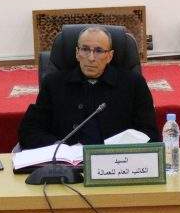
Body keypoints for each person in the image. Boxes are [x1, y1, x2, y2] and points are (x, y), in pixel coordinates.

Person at [18, 26, 160, 148]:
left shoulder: (133, 83)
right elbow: (29, 131)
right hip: (66, 164)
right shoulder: (54, 84)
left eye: (98, 51)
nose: (91, 58)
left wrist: (118, 149)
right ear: (77, 53)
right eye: (85, 49)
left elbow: (149, 133)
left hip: (116, 162)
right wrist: (58, 147)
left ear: (110, 56)